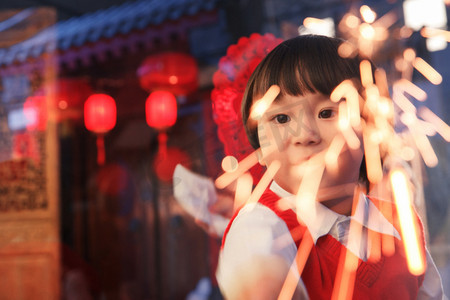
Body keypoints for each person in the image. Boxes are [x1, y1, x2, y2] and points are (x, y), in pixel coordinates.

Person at [216, 35, 444, 299]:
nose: (304, 135)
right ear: (260, 151)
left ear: (371, 127)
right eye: (281, 118)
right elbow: (258, 270)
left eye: (326, 113)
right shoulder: (262, 224)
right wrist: (264, 279)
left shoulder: (398, 222)